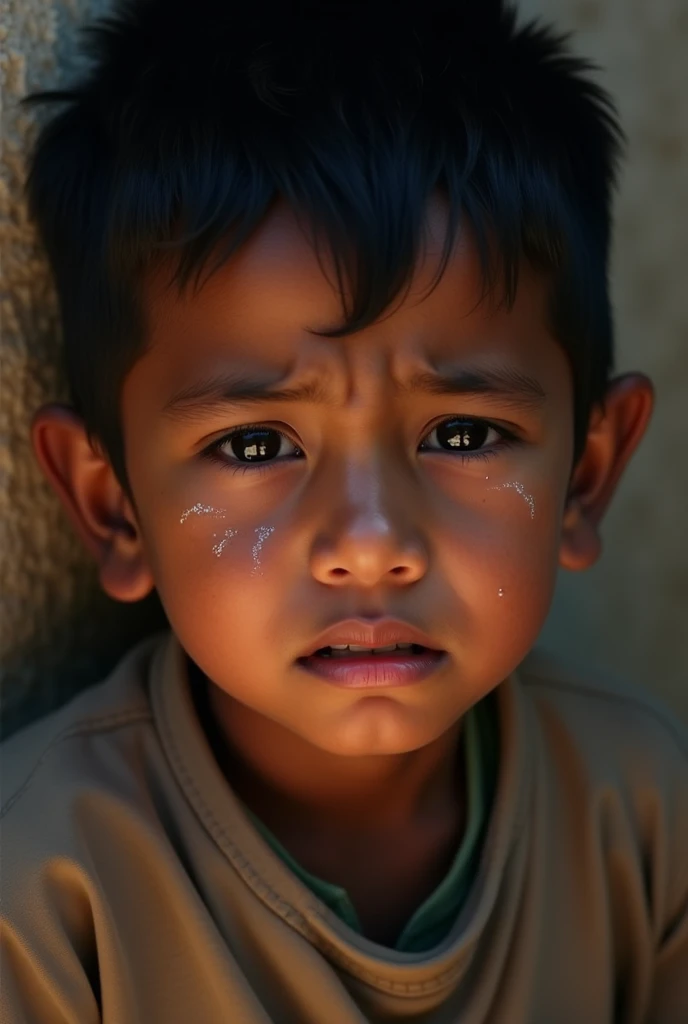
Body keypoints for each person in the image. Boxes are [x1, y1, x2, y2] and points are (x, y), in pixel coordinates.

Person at [2, 0, 686, 1019]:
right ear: (114, 507)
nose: (369, 544)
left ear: (586, 474)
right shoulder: (47, 887)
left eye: (460, 435)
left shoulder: (644, 814)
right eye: (254, 445)